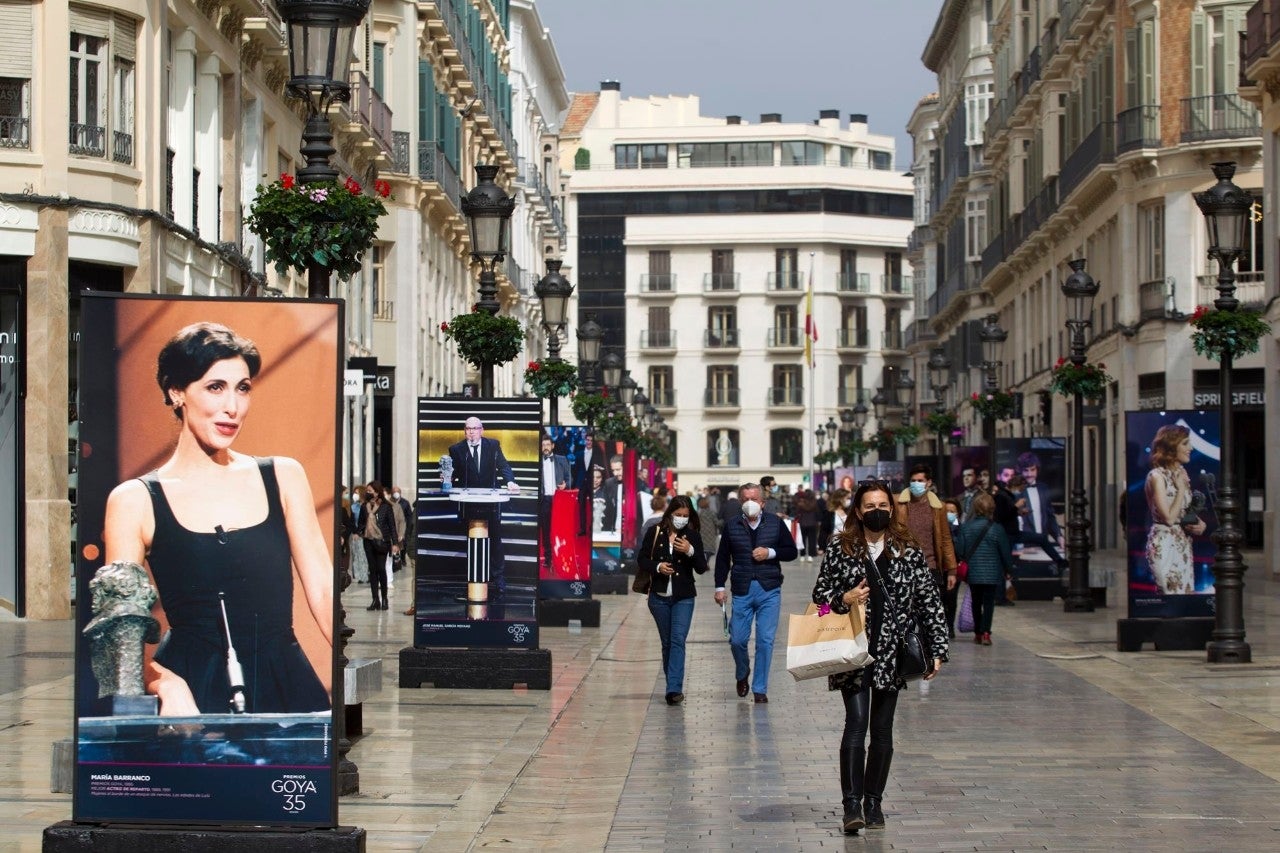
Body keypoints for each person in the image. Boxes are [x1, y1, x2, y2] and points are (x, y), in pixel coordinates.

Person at [103, 322, 332, 716]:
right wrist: (167, 685)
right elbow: (118, 644)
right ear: (177, 392)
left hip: (287, 689)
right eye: (215, 387)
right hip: (191, 696)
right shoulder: (134, 501)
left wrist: (353, 671)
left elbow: (326, 596)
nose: (233, 406)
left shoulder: (283, 476)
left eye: (242, 388)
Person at [811, 480, 948, 834]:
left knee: (883, 729)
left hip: (893, 651)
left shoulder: (907, 549)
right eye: (870, 505)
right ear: (858, 510)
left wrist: (938, 649)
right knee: (856, 723)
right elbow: (819, 601)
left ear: (892, 509)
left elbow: (929, 601)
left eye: (883, 505)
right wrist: (845, 598)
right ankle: (851, 805)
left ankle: (874, 802)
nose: (877, 511)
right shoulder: (841, 548)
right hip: (852, 649)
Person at [714, 482, 798, 703]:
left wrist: (770, 552)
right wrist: (720, 587)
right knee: (737, 640)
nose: (749, 503)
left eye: (754, 499)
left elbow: (790, 552)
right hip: (742, 588)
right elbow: (723, 558)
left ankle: (760, 688)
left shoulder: (775, 523)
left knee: (765, 640)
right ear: (740, 502)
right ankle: (743, 671)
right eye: (745, 499)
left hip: (769, 588)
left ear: (762, 502)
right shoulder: (732, 525)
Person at [638, 495, 709, 706]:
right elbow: (642, 559)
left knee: (678, 639)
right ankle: (672, 684)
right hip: (659, 597)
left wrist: (690, 550)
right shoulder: (655, 531)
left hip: (684, 597)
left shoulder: (692, 536)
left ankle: (674, 688)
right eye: (678, 515)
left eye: (686, 516)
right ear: (670, 513)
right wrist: (658, 567)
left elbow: (701, 567)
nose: (681, 519)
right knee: (667, 642)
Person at [448, 416, 520, 596]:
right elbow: (453, 473)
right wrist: (446, 479)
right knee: (472, 542)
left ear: (482, 430)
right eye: (468, 428)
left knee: (495, 542)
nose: (471, 432)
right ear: (464, 431)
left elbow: (504, 467)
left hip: (491, 504)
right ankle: (475, 579)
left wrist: (510, 482)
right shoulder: (457, 449)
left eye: (475, 428)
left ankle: (498, 579)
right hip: (469, 504)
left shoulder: (493, 446)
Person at [895, 464, 957, 641]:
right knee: (905, 612)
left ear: (928, 482)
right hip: (904, 566)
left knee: (929, 613)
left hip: (930, 567)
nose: (916, 484)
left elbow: (945, 538)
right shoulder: (899, 503)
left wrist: (951, 570)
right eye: (913, 481)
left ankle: (926, 650)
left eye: (920, 481)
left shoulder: (938, 507)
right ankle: (908, 649)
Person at [1144, 424, 1205, 593]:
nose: (1190, 448)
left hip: (1183, 545)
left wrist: (1199, 524)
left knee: (1184, 601)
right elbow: (1169, 518)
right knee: (1170, 599)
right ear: (1171, 446)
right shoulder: (1156, 476)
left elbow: (1183, 512)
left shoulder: (1181, 473)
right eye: (1185, 443)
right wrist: (1181, 489)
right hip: (1164, 545)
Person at [952, 492, 1011, 645]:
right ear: (992, 508)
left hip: (974, 571)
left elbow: (960, 550)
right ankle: (986, 632)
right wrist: (1008, 569)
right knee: (989, 602)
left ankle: (977, 632)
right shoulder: (997, 529)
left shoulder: (966, 527)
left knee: (976, 601)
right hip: (992, 572)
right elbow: (1005, 551)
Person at [361, 481, 399, 610]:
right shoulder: (364, 506)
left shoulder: (386, 507)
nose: (368, 492)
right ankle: (375, 600)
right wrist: (361, 532)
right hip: (368, 541)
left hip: (382, 542)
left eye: (370, 490)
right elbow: (360, 522)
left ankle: (385, 599)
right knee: (372, 570)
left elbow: (392, 526)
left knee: (381, 569)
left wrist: (395, 543)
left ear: (377, 492)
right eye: (367, 491)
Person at [539, 434, 570, 567]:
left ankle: (561, 558)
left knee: (560, 531)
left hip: (559, 500)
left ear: (553, 446)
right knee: (546, 531)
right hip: (544, 500)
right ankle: (548, 559)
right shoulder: (538, 461)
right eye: (543, 445)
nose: (545, 447)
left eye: (547, 445)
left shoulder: (562, 460)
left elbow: (570, 478)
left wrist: (565, 485)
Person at [792, 488, 821, 563]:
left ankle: (802, 555)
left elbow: (797, 511)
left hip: (802, 523)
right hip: (812, 523)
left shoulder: (801, 502)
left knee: (802, 540)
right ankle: (811, 555)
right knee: (812, 540)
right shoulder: (814, 502)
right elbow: (817, 512)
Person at [696, 495, 721, 560]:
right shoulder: (711, 512)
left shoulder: (699, 513)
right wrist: (723, 521)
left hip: (701, 532)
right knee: (710, 551)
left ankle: (704, 561)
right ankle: (706, 561)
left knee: (703, 549)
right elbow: (717, 522)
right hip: (710, 533)